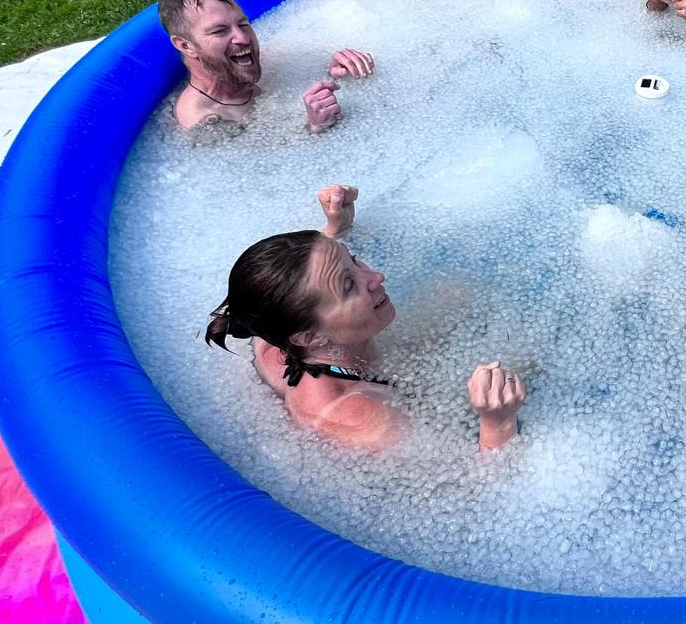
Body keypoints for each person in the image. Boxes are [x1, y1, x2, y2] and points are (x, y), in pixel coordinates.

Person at [205, 185, 526, 452]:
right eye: (348, 284)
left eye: (355, 260)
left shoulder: (272, 321)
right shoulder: (360, 418)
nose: (376, 277)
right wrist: (497, 422)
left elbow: (305, 281)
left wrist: (336, 229)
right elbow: (470, 496)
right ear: (309, 337)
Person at [158, 0, 374, 132]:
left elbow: (305, 61)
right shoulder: (206, 120)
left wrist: (334, 68)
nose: (242, 38)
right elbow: (263, 176)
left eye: (243, 24)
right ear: (185, 45)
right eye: (220, 31)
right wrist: (314, 128)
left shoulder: (263, 62)